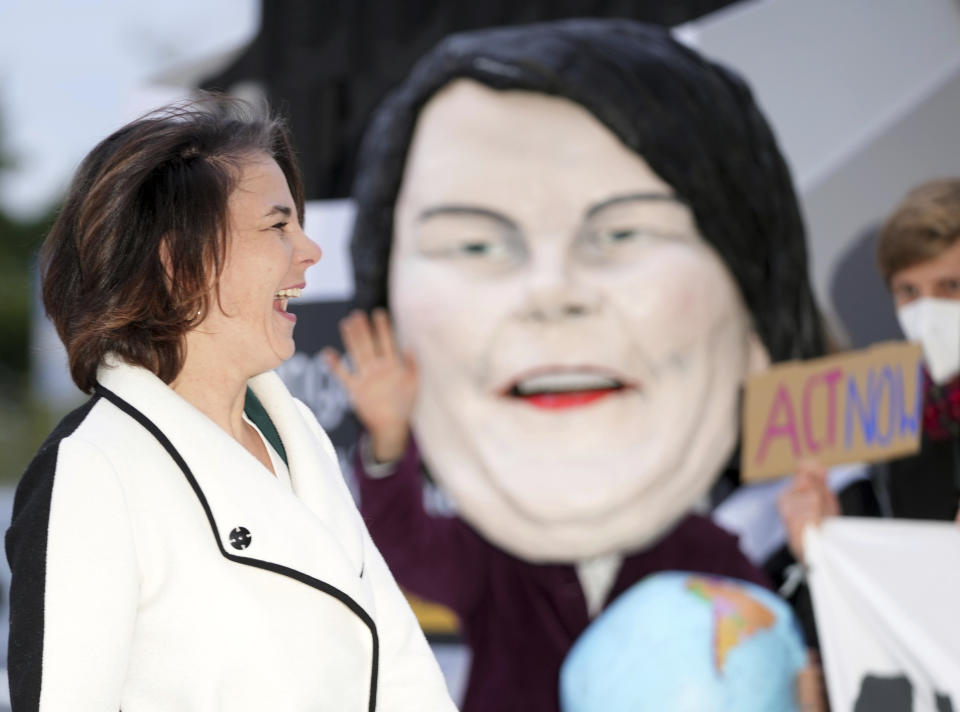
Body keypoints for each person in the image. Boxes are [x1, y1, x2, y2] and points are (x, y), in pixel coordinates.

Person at [326, 19, 826, 712]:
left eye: (623, 233)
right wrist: (386, 441)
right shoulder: (498, 554)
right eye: (475, 246)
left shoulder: (708, 553)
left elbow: (765, 650)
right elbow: (406, 552)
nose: (552, 293)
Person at [5, 97, 456, 711]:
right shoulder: (94, 468)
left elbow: (401, 668)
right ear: (180, 262)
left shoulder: (295, 432)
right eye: (277, 227)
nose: (311, 252)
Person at [778, 178, 960, 569]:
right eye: (909, 292)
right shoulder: (909, 432)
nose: (927, 313)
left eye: (950, 286)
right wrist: (830, 543)